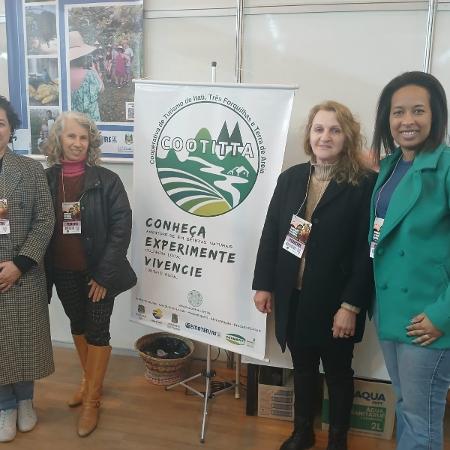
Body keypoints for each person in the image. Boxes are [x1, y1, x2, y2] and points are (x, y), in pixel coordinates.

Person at [253, 101, 375, 450]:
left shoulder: (365, 184)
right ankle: (303, 432)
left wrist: (351, 305)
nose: (326, 136)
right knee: (302, 368)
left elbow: (366, 251)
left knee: (338, 373)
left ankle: (337, 439)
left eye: (335, 130)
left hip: (337, 302)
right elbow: (272, 233)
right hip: (295, 296)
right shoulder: (291, 179)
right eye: (319, 129)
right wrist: (264, 284)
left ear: (347, 136)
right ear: (309, 135)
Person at [42, 111, 136, 437]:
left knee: (98, 331)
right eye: (71, 136)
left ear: (91, 142)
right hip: (62, 271)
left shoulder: (107, 180)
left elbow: (121, 230)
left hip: (98, 274)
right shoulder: (46, 179)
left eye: (84, 138)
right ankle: (87, 382)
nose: (78, 143)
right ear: (59, 140)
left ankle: (92, 401)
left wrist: (104, 276)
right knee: (78, 325)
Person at [370, 71, 450, 450]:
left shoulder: (447, 166)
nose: (408, 121)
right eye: (398, 112)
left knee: (422, 420)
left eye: (418, 111)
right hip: (390, 310)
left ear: (436, 115)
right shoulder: (388, 168)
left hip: (427, 316)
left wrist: (443, 314)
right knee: (406, 407)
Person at [0, 96, 55, 443]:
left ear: (10, 129)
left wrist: (19, 265)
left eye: (0, 123)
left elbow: (45, 221)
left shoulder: (30, 170)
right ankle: (4, 406)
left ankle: (26, 403)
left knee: (25, 339)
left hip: (25, 273)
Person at [69, 31, 104, 122]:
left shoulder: (63, 76)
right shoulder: (90, 74)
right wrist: (95, 70)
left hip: (72, 121)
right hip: (91, 121)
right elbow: (101, 89)